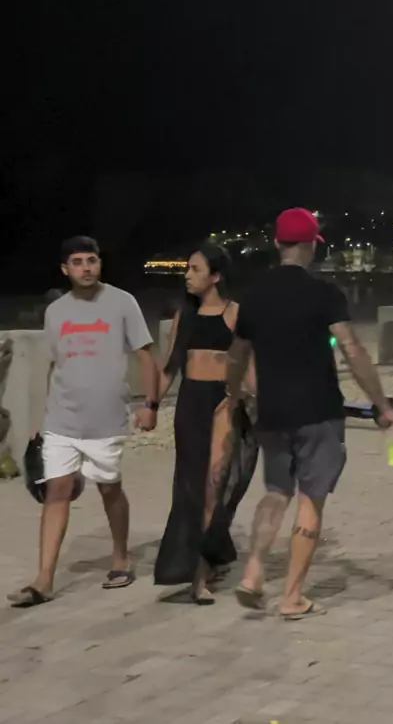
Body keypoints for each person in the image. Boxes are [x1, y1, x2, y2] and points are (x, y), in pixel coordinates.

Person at [227, 208, 393, 620]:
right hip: (318, 411)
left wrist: (233, 393)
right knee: (310, 499)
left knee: (276, 491)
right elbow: (352, 349)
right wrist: (382, 405)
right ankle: (292, 597)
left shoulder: (253, 295)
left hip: (272, 412)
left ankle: (253, 572)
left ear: (277, 243)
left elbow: (236, 355)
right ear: (311, 245)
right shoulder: (325, 293)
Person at [8, 236, 158, 607]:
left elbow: (145, 355)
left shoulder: (122, 302)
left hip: (106, 418)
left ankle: (121, 557)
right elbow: (55, 365)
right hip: (62, 418)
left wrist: (150, 404)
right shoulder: (55, 311)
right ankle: (43, 580)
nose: (86, 268)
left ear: (99, 263)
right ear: (65, 269)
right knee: (56, 490)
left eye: (91, 260)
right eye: (77, 262)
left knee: (109, 488)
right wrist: (43, 417)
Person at [154, 243, 258, 604]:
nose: (187, 275)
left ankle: (200, 573)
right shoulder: (184, 316)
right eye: (187, 268)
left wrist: (255, 403)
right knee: (189, 486)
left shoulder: (235, 314)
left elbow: (250, 368)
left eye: (195, 269)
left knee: (214, 484)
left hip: (224, 402)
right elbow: (169, 367)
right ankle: (206, 557)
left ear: (215, 276)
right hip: (190, 403)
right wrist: (151, 405)